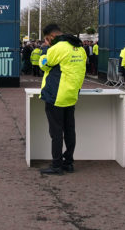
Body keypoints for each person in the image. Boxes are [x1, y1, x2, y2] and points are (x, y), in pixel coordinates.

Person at [37, 23, 87, 175]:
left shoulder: (56, 48)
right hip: (72, 94)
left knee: (56, 132)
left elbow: (45, 65)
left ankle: (56, 165)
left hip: (56, 94)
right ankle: (69, 162)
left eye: (47, 39)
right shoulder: (79, 48)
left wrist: (45, 51)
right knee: (69, 129)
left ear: (51, 37)